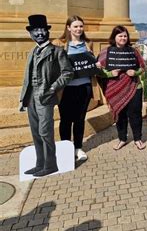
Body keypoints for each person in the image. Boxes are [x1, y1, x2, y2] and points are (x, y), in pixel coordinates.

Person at [19, 14, 74, 177]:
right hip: (31, 98)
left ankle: (51, 165)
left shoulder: (57, 51)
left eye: (42, 29)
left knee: (45, 131)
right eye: (36, 30)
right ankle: (40, 163)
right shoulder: (32, 52)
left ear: (47, 32)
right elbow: (27, 77)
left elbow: (67, 73)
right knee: (35, 131)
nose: (40, 33)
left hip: (45, 96)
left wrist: (52, 89)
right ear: (31, 34)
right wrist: (23, 98)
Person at [53, 15, 102, 161]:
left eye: (81, 26)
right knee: (66, 119)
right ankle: (66, 148)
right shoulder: (59, 44)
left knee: (80, 119)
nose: (78, 29)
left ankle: (78, 148)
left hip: (84, 86)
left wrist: (96, 65)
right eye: (75, 26)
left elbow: (92, 62)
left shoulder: (88, 43)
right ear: (68, 28)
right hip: (66, 89)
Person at [98, 26, 146, 151]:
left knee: (135, 114)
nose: (123, 38)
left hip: (134, 86)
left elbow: (142, 67)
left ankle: (137, 139)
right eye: (120, 36)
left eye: (125, 36)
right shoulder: (106, 52)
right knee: (120, 114)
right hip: (115, 87)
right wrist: (109, 74)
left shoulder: (133, 51)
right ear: (114, 37)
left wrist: (134, 73)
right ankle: (122, 139)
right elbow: (98, 71)